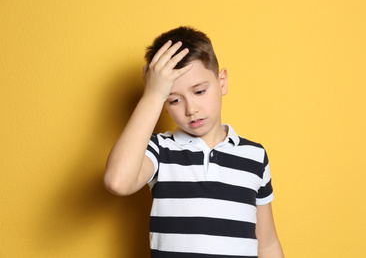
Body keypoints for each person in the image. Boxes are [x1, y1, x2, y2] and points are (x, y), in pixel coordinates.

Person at [104, 26, 284, 258]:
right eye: (174, 100)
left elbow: (267, 243)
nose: (191, 109)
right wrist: (153, 95)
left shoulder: (254, 156)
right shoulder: (160, 150)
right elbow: (118, 182)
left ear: (222, 82)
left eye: (199, 92)